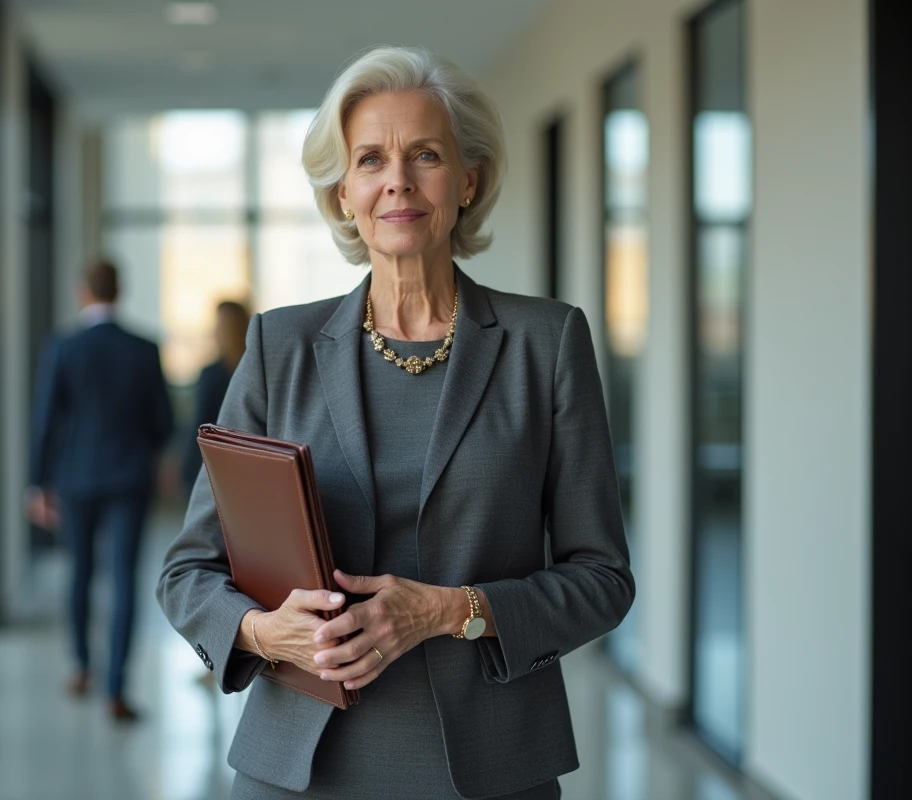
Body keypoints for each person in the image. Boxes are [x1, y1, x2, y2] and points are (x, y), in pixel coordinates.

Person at [157, 46, 633, 798]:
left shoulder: (548, 342)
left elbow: (602, 578)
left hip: (491, 769)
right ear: (343, 192)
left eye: (426, 155)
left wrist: (453, 611)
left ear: (468, 179)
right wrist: (260, 631)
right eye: (371, 159)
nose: (397, 182)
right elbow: (189, 572)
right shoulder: (278, 347)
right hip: (297, 770)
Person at [28, 258, 174, 723]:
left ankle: (79, 665)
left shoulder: (65, 346)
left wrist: (39, 482)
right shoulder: (144, 348)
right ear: (121, 290)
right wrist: (142, 450)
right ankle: (116, 688)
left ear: (81, 292)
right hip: (129, 476)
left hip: (76, 477)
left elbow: (46, 420)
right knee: (126, 578)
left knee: (81, 572)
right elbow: (164, 421)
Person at [182, 300, 251, 492]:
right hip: (249, 464)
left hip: (212, 466)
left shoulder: (212, 373)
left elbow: (201, 424)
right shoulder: (254, 369)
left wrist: (187, 470)